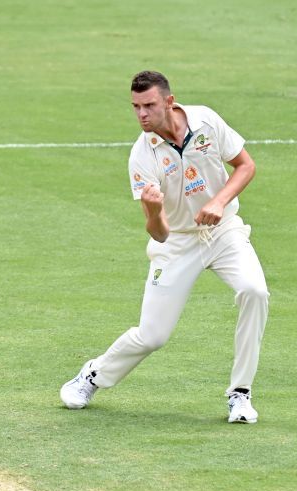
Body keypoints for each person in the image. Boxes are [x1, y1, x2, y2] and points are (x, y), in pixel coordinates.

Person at [60, 71, 269, 423]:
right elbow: (158, 234)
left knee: (255, 292)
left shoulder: (206, 121)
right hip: (177, 243)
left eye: (149, 105)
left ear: (169, 102)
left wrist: (218, 202)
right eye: (136, 107)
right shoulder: (141, 156)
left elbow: (245, 165)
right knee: (152, 336)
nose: (142, 114)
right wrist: (154, 210)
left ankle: (240, 395)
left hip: (223, 231)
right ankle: (92, 375)